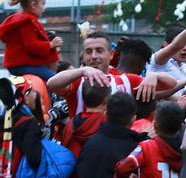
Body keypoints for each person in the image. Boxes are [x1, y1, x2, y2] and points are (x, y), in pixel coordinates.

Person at [46, 32, 176, 116]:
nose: (94, 56)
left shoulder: (124, 80)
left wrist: (154, 76)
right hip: (83, 154)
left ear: (111, 54)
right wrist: (82, 71)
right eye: (89, 51)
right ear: (84, 55)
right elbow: (51, 84)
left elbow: (171, 84)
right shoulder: (77, 80)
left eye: (99, 50)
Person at [0, 0, 62, 82]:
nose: (44, 8)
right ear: (33, 5)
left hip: (19, 64)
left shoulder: (23, 20)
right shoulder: (26, 22)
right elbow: (31, 45)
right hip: (22, 65)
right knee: (54, 79)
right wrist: (51, 44)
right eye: (43, 4)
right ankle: (54, 96)